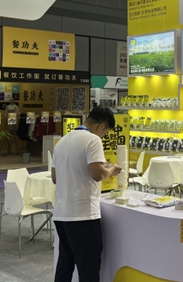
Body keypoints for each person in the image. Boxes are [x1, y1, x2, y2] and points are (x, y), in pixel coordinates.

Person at [52, 106, 122, 282]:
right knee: (88, 269)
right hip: (83, 215)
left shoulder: (62, 141)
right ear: (101, 126)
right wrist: (111, 170)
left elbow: (55, 177)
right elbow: (97, 174)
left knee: (65, 264)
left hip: (61, 214)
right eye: (105, 132)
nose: (103, 136)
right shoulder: (92, 140)